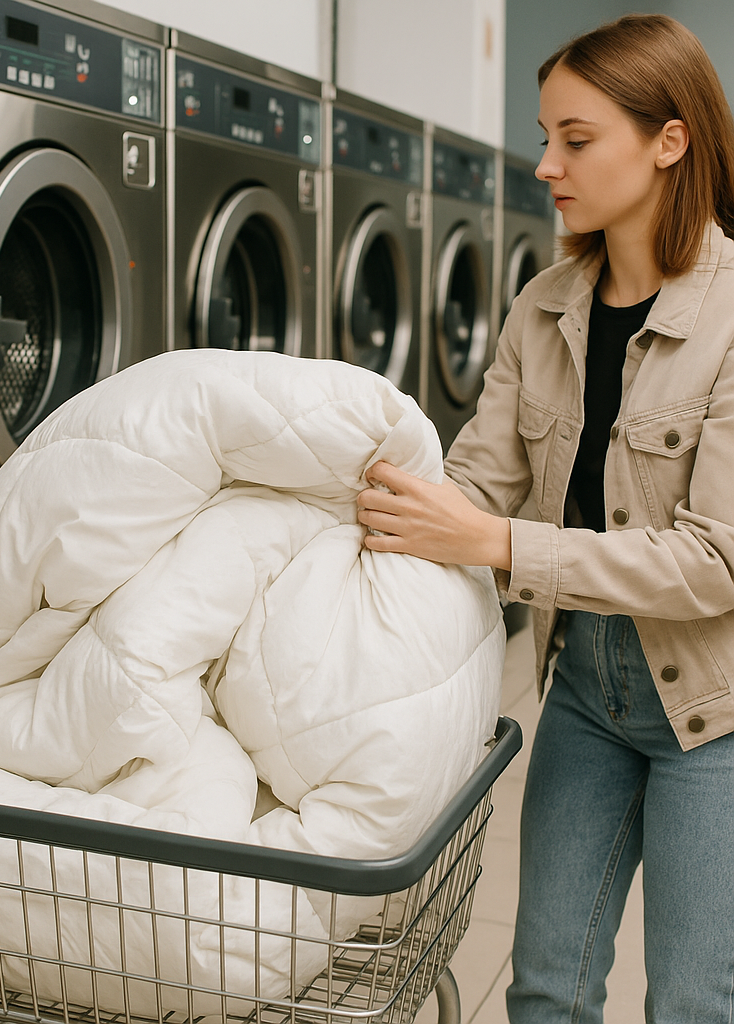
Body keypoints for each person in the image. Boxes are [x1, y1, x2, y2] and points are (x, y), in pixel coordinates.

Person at [357, 14, 734, 1023]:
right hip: (583, 689)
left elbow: (714, 562)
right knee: (543, 988)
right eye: (544, 137)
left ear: (668, 141)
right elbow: (478, 477)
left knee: (693, 1000)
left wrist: (498, 543)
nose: (544, 165)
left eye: (574, 139)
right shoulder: (543, 305)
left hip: (714, 704)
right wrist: (375, 506)